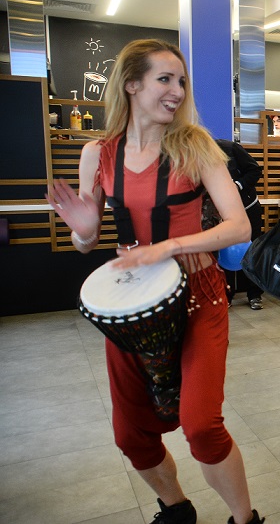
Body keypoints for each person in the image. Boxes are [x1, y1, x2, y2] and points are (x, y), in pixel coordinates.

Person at [45, 39, 262, 524]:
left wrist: (168, 247)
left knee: (202, 426)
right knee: (130, 434)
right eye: (165, 79)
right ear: (131, 85)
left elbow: (238, 227)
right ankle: (176, 510)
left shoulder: (195, 146)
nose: (177, 90)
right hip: (133, 307)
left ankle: (245, 520)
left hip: (198, 298)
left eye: (180, 81)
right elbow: (86, 241)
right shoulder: (97, 154)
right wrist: (83, 232)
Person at [211, 139, 266, 309]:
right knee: (222, 253)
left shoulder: (230, 148)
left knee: (252, 250)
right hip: (220, 212)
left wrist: (237, 185)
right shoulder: (196, 157)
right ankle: (226, 294)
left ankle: (254, 294)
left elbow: (255, 170)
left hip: (248, 208)